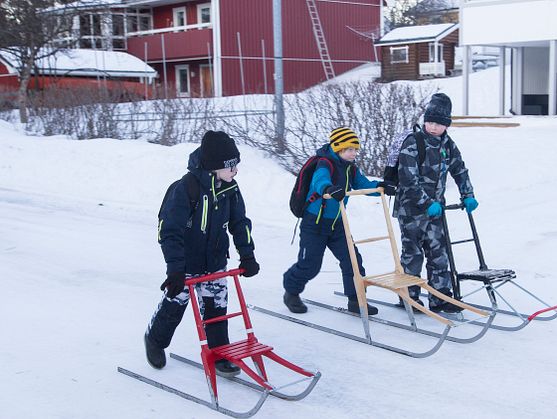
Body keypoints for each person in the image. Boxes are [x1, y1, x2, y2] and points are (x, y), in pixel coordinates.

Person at [144, 130, 260, 377]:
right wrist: (175, 269)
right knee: (175, 305)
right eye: (231, 167)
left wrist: (247, 255)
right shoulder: (186, 189)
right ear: (215, 167)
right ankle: (155, 340)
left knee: (216, 308)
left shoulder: (231, 189)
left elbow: (240, 223)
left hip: (216, 260)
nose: (235, 172)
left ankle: (219, 354)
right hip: (185, 264)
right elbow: (169, 231)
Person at [283, 127, 395, 315]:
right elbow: (320, 181)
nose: (353, 153)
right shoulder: (325, 164)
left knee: (352, 260)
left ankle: (356, 300)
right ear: (338, 148)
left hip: (337, 223)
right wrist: (329, 188)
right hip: (315, 223)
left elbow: (364, 184)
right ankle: (291, 292)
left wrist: (381, 187)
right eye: (349, 149)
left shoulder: (351, 168)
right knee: (310, 264)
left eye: (355, 149)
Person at [393, 93, 479, 313]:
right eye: (430, 122)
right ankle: (408, 297)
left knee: (438, 253)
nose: (433, 127)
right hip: (411, 210)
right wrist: (425, 202)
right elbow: (407, 178)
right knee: (413, 254)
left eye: (439, 124)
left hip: (435, 210)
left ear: (446, 125)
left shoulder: (448, 145)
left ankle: (440, 297)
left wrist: (467, 194)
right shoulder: (413, 142)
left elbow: (459, 169)